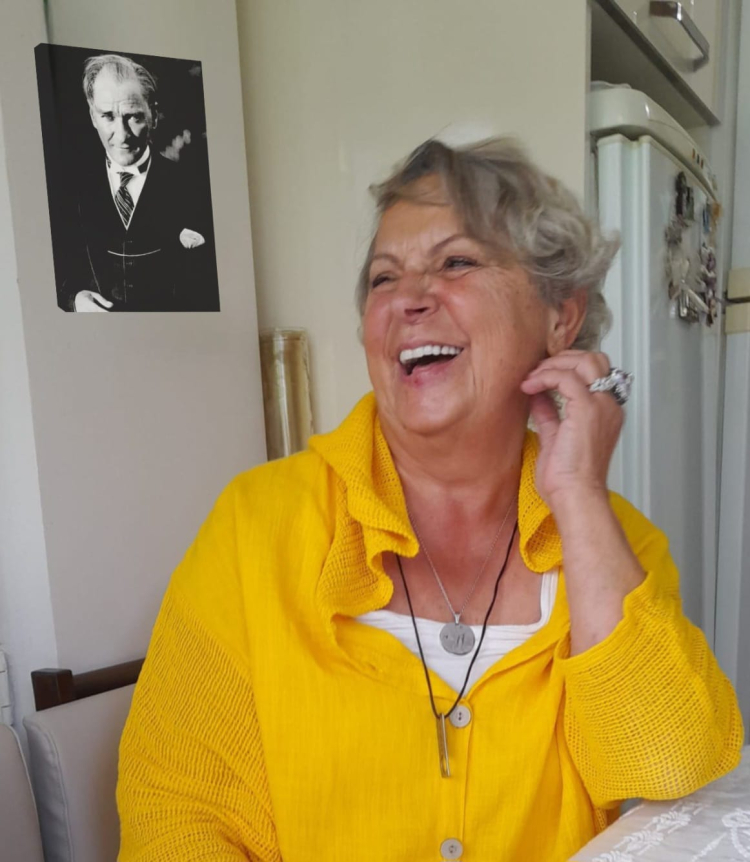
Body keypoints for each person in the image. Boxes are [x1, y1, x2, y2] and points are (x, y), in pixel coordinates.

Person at [117, 138, 743, 861]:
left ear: (559, 318)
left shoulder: (613, 543)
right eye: (384, 278)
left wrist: (578, 495)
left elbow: (667, 770)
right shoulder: (257, 526)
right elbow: (177, 812)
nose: (409, 299)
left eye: (456, 263)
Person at [58, 53, 217, 312]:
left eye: (133, 116)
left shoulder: (195, 188)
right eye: (108, 116)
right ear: (92, 116)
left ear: (153, 113)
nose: (122, 135)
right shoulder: (67, 189)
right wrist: (74, 300)